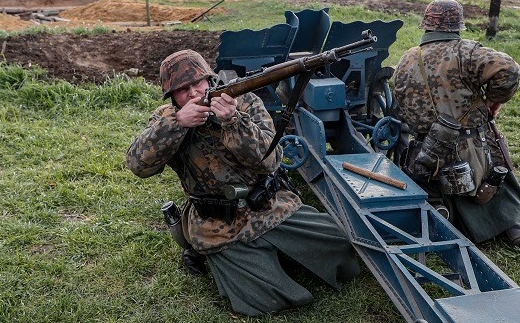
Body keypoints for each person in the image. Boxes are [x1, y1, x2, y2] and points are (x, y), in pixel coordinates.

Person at [126, 49, 360, 316]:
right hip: (217, 224)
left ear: (210, 80)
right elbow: (138, 165)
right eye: (182, 89)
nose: (192, 93)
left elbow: (270, 162)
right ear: (172, 96)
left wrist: (233, 122)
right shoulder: (166, 118)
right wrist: (177, 124)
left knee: (342, 250)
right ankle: (221, 255)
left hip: (270, 207)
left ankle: (260, 251)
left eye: (197, 83)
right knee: (265, 300)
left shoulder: (244, 101)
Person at [391, 0, 520, 248]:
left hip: (425, 153)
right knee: (495, 164)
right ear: (457, 25)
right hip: (471, 147)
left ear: (426, 25)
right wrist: (494, 101)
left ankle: (445, 216)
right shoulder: (466, 52)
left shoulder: (407, 59)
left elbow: (398, 99)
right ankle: (512, 226)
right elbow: (509, 69)